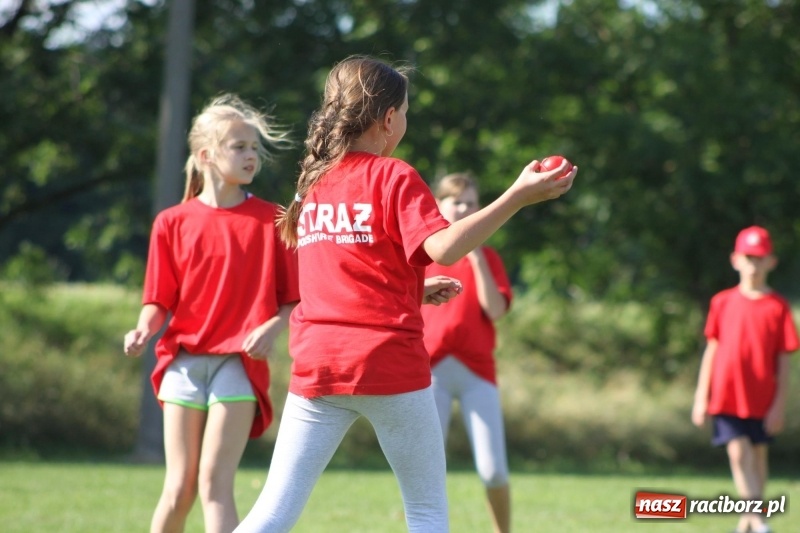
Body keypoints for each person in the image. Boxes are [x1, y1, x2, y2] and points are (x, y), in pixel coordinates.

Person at [234, 55, 576, 533]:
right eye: (407, 111)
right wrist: (516, 195)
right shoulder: (393, 175)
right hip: (387, 363)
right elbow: (444, 247)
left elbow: (341, 285)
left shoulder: (313, 185)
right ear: (389, 119)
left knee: (271, 513)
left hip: (319, 365)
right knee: (427, 512)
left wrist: (412, 291)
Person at [123, 94, 300, 533]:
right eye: (239, 146)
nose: (251, 156)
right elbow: (157, 299)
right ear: (206, 155)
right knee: (178, 487)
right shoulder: (171, 222)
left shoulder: (273, 220)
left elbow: (294, 299)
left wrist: (273, 326)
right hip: (182, 364)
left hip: (238, 365)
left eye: (255, 148)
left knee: (214, 485)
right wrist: (143, 329)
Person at [421, 172, 514, 533]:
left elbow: (496, 311)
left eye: (471, 203)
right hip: (430, 372)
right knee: (428, 469)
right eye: (456, 201)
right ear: (439, 205)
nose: (463, 208)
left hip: (478, 373)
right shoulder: (424, 254)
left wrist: (476, 260)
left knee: (493, 471)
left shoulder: (488, 257)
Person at [691, 225, 798, 533]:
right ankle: (758, 521)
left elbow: (784, 360)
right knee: (739, 454)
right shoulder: (722, 302)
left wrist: (779, 406)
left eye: (759, 258)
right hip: (726, 394)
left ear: (771, 262)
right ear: (735, 259)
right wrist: (701, 397)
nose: (753, 264)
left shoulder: (778, 307)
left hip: (761, 397)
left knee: (758, 457)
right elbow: (711, 351)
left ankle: (746, 521)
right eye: (748, 257)